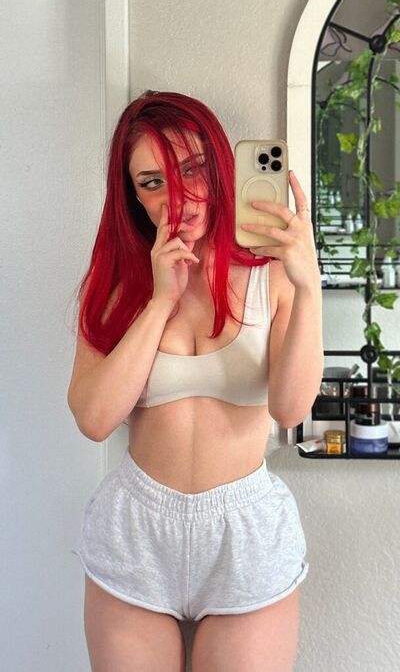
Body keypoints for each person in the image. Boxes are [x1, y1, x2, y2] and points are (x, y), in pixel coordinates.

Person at [68, 90, 323, 672]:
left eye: (191, 169)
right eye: (152, 182)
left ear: (221, 167)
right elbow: (94, 419)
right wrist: (160, 300)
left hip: (245, 530)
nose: (178, 197)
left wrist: (309, 285)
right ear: (132, 196)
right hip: (136, 528)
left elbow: (290, 409)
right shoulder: (116, 286)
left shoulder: (274, 277)